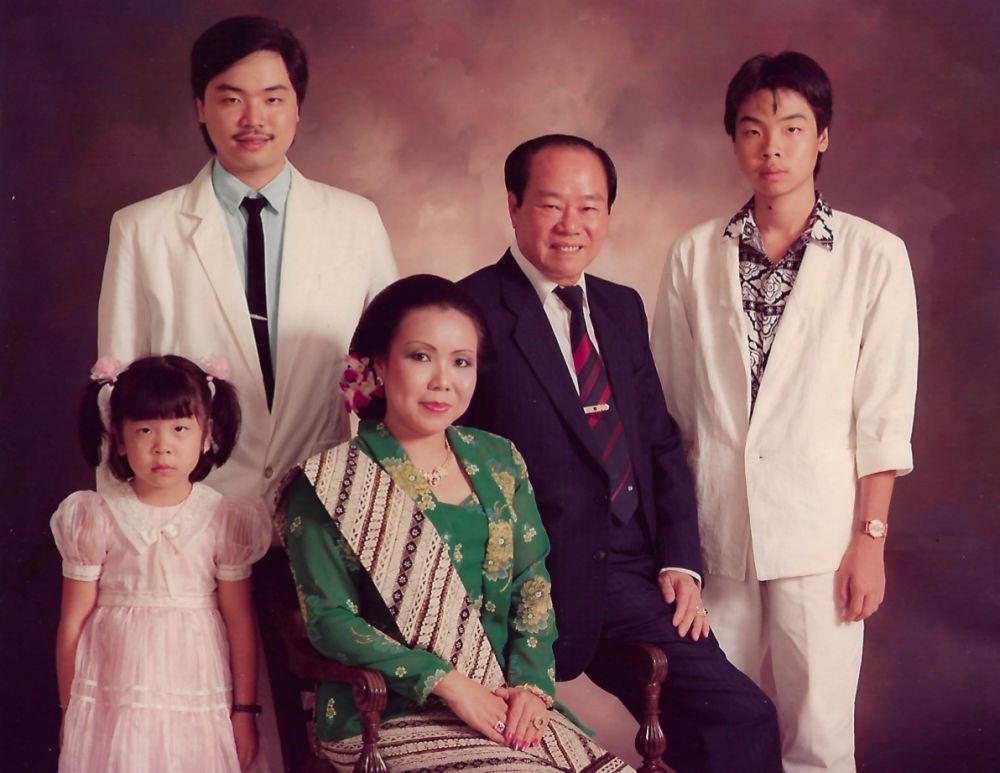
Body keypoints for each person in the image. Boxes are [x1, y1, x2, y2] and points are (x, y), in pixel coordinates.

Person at [459, 135, 781, 773]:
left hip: (637, 572)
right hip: (540, 572)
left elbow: (658, 442)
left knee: (730, 721)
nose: (571, 225)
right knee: (730, 722)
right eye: (551, 205)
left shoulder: (619, 306)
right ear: (513, 205)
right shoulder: (468, 308)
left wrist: (681, 562)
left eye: (589, 207)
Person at [650, 52, 918, 772]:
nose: (772, 147)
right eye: (753, 129)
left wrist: (869, 539)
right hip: (717, 533)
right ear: (733, 139)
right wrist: (675, 544)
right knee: (713, 727)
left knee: (819, 736)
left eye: (793, 128)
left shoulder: (874, 256)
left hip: (821, 533)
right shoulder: (694, 254)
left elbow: (883, 413)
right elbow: (670, 410)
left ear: (822, 136)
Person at [279, 275, 632, 772]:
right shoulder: (331, 482)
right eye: (420, 356)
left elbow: (531, 582)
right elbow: (330, 621)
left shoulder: (499, 459)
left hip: (498, 700)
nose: (443, 380)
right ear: (379, 363)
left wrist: (531, 688)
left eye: (461, 361)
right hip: (383, 715)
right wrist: (449, 684)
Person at [97, 15, 397, 507]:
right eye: (231, 98)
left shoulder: (357, 222)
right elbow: (115, 395)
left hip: (323, 509)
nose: (253, 118)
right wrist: (123, 528)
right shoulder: (143, 229)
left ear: (297, 107)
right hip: (191, 513)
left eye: (273, 99)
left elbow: (396, 374)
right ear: (201, 106)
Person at [53, 355, 271, 772]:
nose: (162, 445)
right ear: (119, 439)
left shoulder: (223, 519)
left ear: (207, 435)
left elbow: (239, 620)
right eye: (144, 430)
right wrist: (70, 710)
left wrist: (245, 711)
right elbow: (72, 623)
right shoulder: (96, 516)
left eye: (180, 429)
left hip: (195, 690)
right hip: (112, 696)